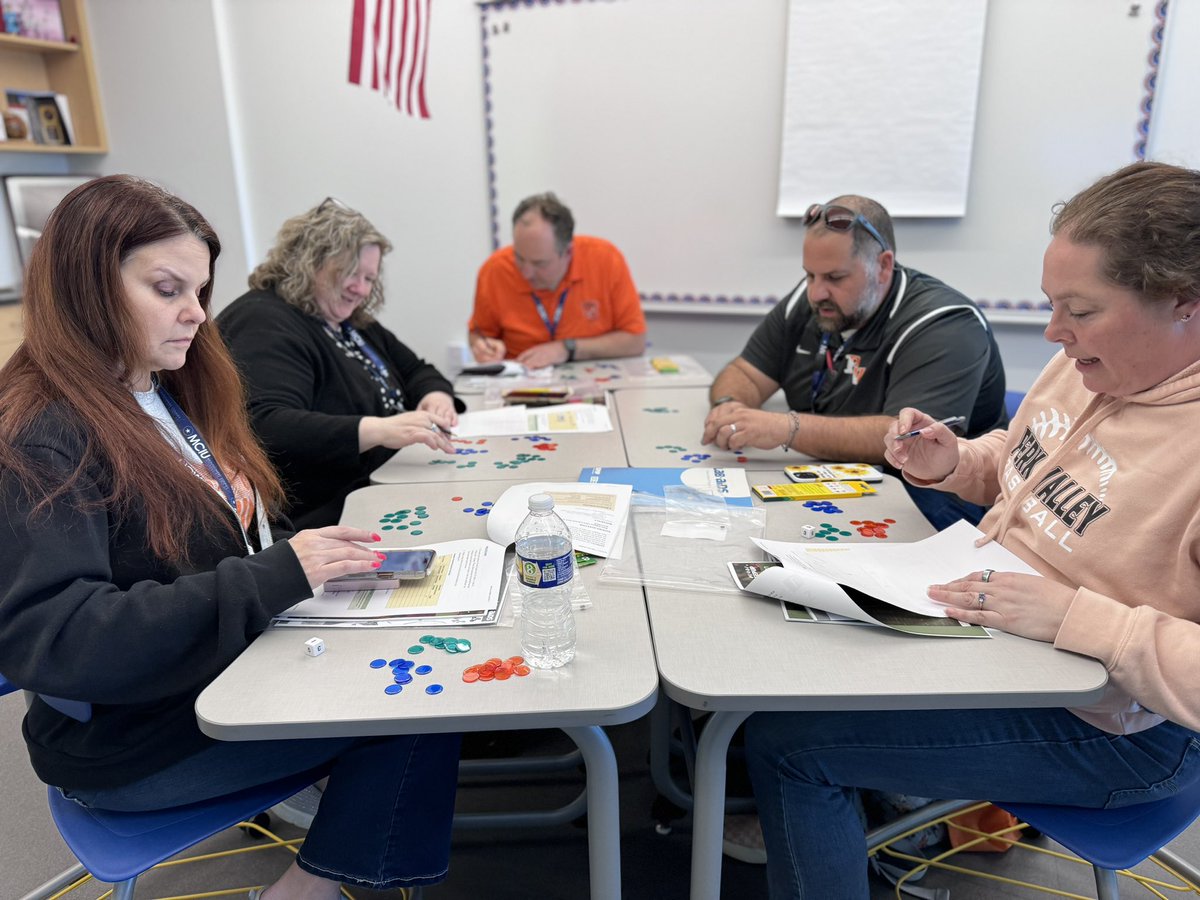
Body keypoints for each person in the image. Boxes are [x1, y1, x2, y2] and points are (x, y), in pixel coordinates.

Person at [742, 161, 1200, 899]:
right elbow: (1025, 470)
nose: (1054, 334)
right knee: (784, 665)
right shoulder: (1087, 365)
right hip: (999, 640)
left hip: (1122, 731)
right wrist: (955, 461)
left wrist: (1082, 620)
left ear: (1185, 301)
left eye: (1079, 311)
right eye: (1052, 306)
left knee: (788, 745)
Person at [0, 176, 461, 899]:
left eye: (200, 292)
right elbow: (59, 637)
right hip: (130, 744)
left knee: (412, 658)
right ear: (88, 285)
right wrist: (273, 578)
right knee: (418, 710)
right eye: (167, 289)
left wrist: (295, 571)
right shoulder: (44, 432)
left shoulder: (159, 387)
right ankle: (305, 890)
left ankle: (333, 848)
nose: (195, 315)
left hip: (214, 675)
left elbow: (215, 551)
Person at [701, 195, 1007, 529]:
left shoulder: (945, 324)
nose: (816, 292)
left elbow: (906, 439)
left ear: (883, 265)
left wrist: (785, 428)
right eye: (810, 276)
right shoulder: (816, 301)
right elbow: (746, 371)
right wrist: (730, 408)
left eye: (835, 277)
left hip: (930, 496)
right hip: (837, 478)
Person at [218, 198, 464, 528]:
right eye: (349, 273)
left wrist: (436, 396)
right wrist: (378, 429)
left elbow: (417, 370)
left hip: (384, 485)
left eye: (369, 278)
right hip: (325, 513)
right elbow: (265, 425)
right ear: (308, 262)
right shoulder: (263, 319)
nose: (360, 289)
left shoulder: (350, 321)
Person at [468, 191, 647, 368]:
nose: (526, 273)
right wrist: (483, 347)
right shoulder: (494, 270)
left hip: (592, 378)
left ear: (568, 252)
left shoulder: (606, 259)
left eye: (540, 263)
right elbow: (478, 334)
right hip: (520, 382)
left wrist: (567, 349)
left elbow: (635, 342)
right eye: (519, 258)